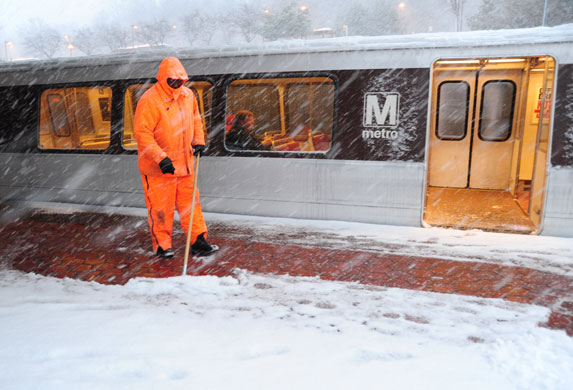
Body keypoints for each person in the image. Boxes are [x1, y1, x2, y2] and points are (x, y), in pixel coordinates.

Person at [134, 57, 218, 258]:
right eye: (172, 80)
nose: (177, 83)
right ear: (163, 78)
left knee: (191, 206)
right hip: (159, 168)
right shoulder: (150, 100)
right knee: (160, 209)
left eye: (180, 80)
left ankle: (198, 240)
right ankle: (163, 245)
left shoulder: (188, 96)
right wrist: (160, 158)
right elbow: (142, 133)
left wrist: (198, 141)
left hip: (185, 165)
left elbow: (196, 119)